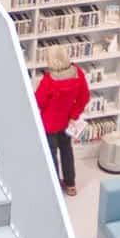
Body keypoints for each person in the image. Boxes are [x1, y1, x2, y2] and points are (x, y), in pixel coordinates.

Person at [34, 43, 89, 197]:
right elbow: (84, 97)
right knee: (67, 151)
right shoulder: (77, 73)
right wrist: (73, 115)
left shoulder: (48, 81)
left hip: (49, 123)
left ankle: (55, 185)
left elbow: (39, 102)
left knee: (51, 154)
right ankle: (71, 185)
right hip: (67, 121)